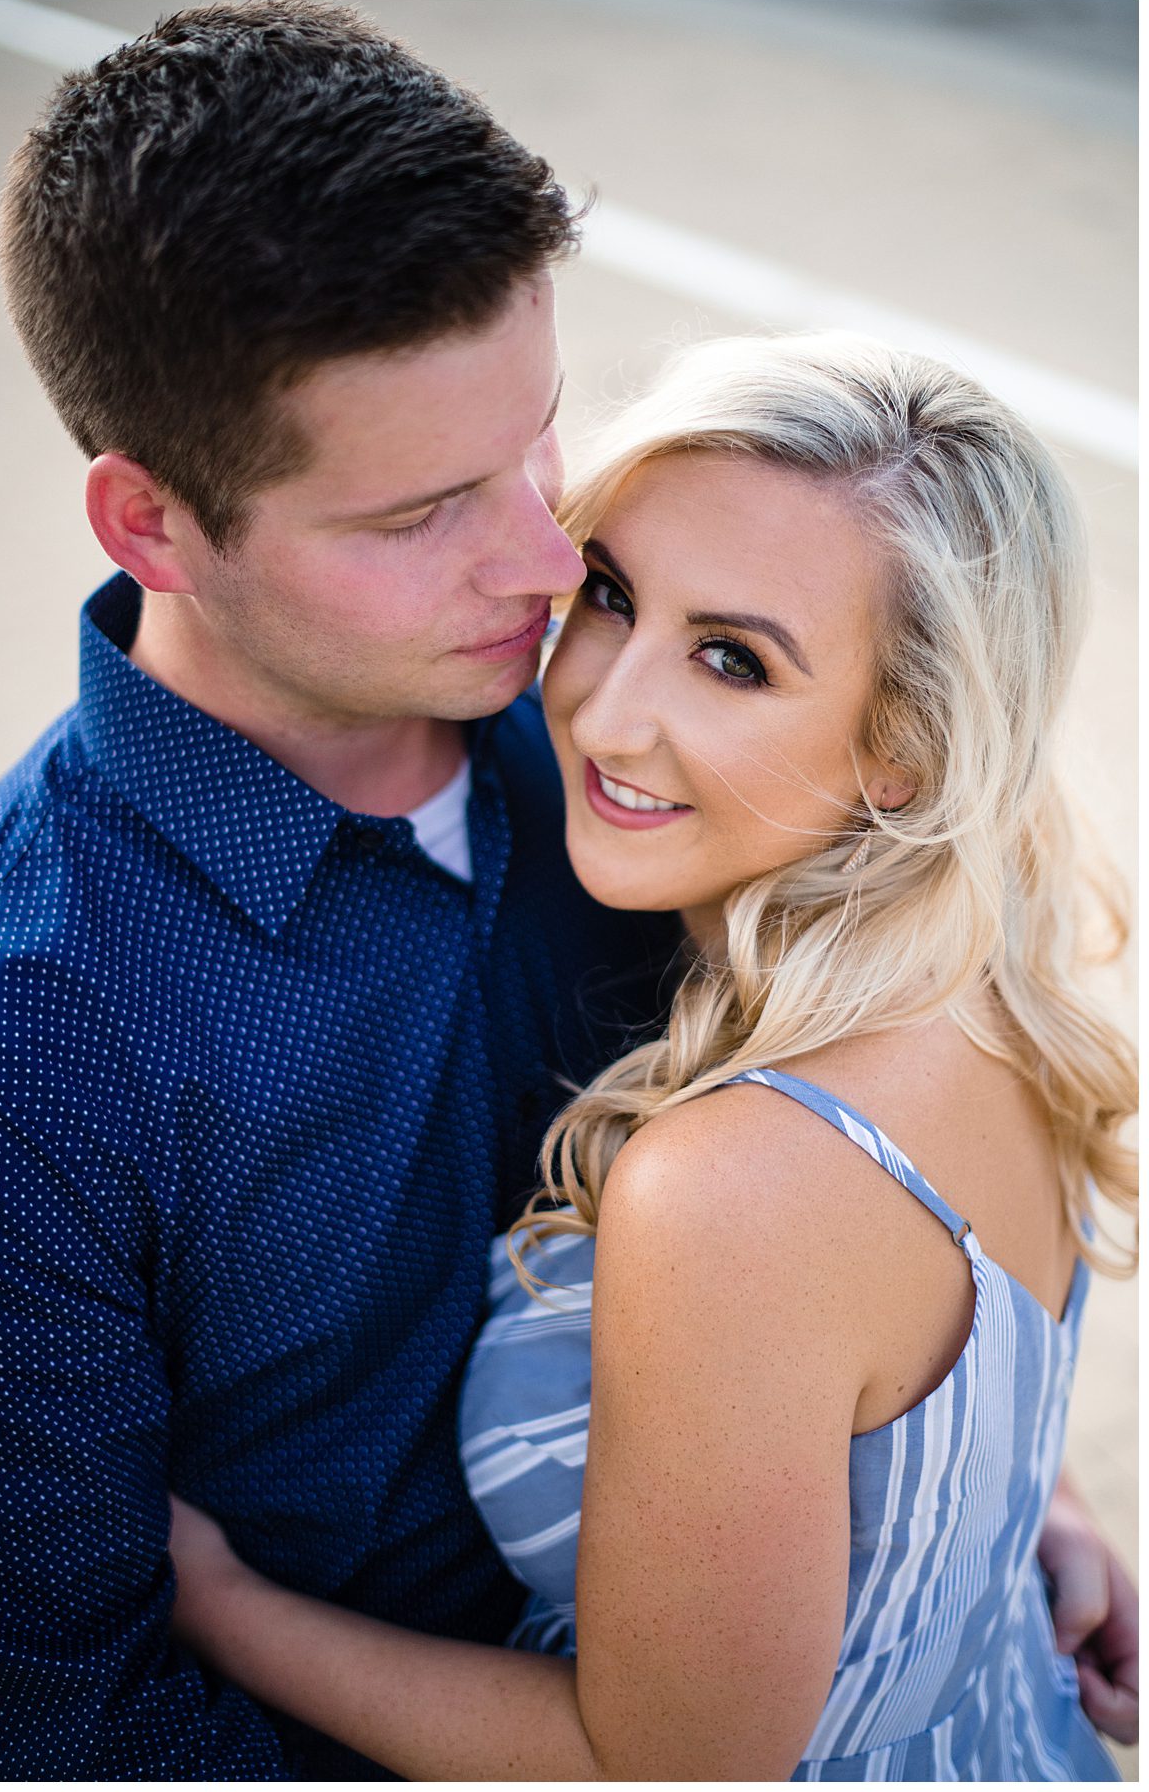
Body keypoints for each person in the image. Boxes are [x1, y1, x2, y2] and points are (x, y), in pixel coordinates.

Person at [0, 1, 1137, 1779]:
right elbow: (81, 1705)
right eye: (423, 511)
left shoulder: (615, 741)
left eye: (537, 441)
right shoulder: (19, 1023)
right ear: (152, 527)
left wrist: (953, 1511)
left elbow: (864, 1173)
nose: (541, 559)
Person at [163, 333, 1138, 1777]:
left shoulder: (736, 1188)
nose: (606, 712)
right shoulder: (986, 964)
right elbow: (902, 1348)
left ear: (905, 751)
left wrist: (226, 1607)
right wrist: (1005, 1510)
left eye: (734, 660)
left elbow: (670, 1769)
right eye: (612, 596)